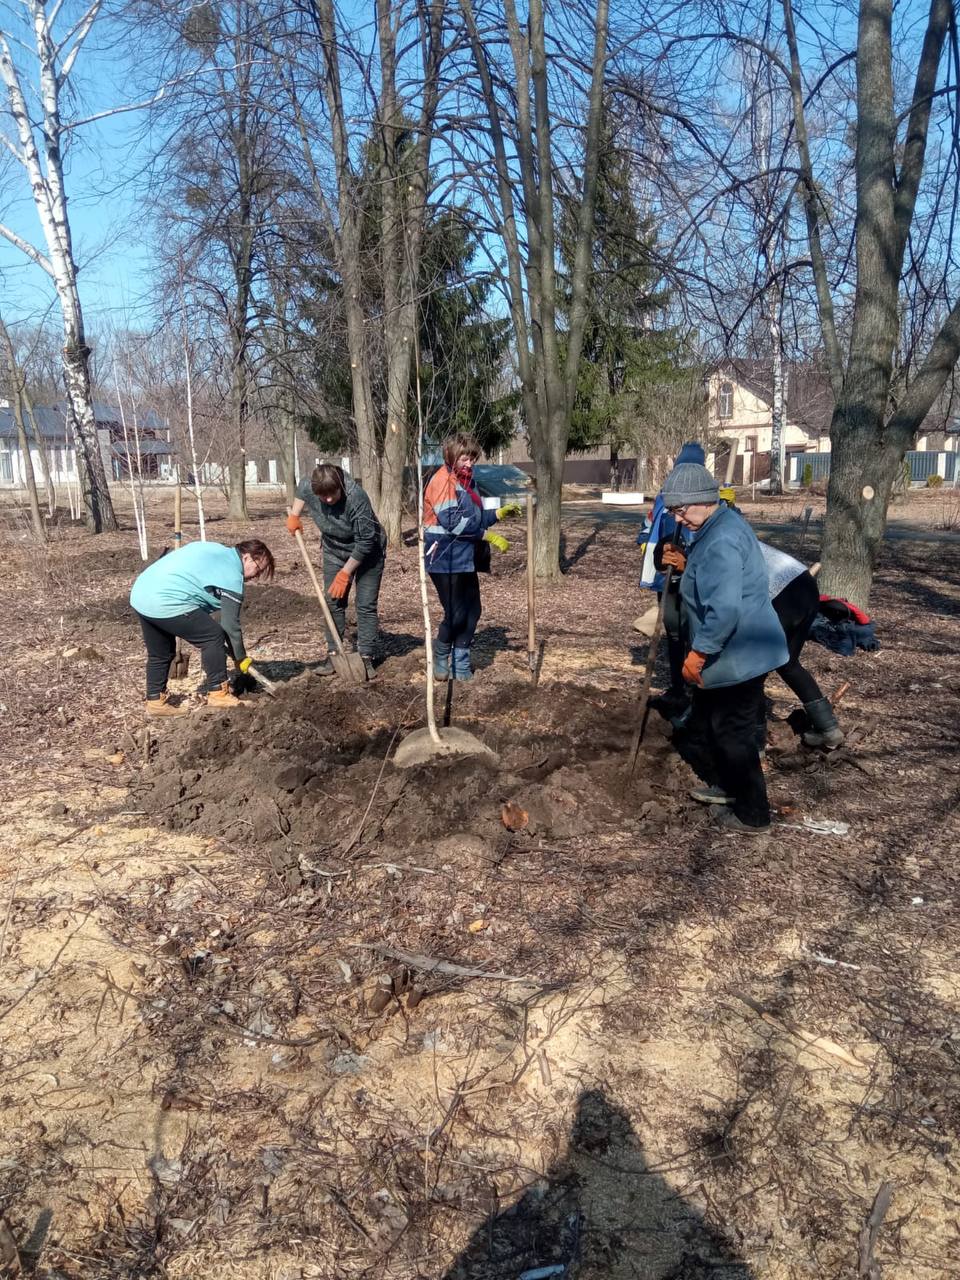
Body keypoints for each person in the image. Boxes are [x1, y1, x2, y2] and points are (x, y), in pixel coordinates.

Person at [658, 461, 788, 834]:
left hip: (740, 652)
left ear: (703, 501)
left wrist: (698, 653)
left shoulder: (721, 538)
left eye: (681, 511)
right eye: (674, 512)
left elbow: (726, 609)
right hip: (741, 649)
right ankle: (730, 787)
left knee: (733, 733)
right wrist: (687, 565)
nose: (679, 519)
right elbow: (715, 579)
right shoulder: (721, 525)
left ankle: (753, 814)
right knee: (719, 724)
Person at [130, 538, 275, 716]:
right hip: (166, 599)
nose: (256, 576)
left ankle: (155, 702)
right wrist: (241, 658)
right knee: (213, 636)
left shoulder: (215, 549)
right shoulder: (232, 575)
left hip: (142, 592)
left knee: (160, 653)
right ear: (247, 557)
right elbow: (230, 626)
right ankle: (218, 694)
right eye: (258, 569)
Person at [422, 433, 521, 681]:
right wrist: (486, 536)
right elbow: (454, 523)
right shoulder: (442, 481)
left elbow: (475, 518)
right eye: (464, 458)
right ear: (452, 457)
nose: (469, 463)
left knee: (473, 611)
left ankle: (462, 665)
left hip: (465, 557)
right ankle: (441, 655)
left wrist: (498, 514)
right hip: (444, 557)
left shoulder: (467, 481)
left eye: (472, 458)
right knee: (455, 614)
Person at [286, 464, 386, 679]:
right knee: (333, 600)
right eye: (323, 496)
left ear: (340, 486)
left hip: (368, 552)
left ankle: (366, 657)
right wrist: (294, 515)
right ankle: (333, 654)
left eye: (332, 494)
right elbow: (301, 491)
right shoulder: (309, 485)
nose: (328, 500)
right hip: (333, 549)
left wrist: (345, 573)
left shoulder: (356, 497)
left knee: (365, 604)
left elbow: (366, 542)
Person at [637, 441, 707, 715]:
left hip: (696, 582)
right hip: (666, 580)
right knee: (673, 632)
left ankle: (696, 692)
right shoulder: (664, 498)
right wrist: (656, 552)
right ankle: (678, 687)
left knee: (695, 633)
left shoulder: (710, 501)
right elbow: (647, 531)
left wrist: (687, 561)